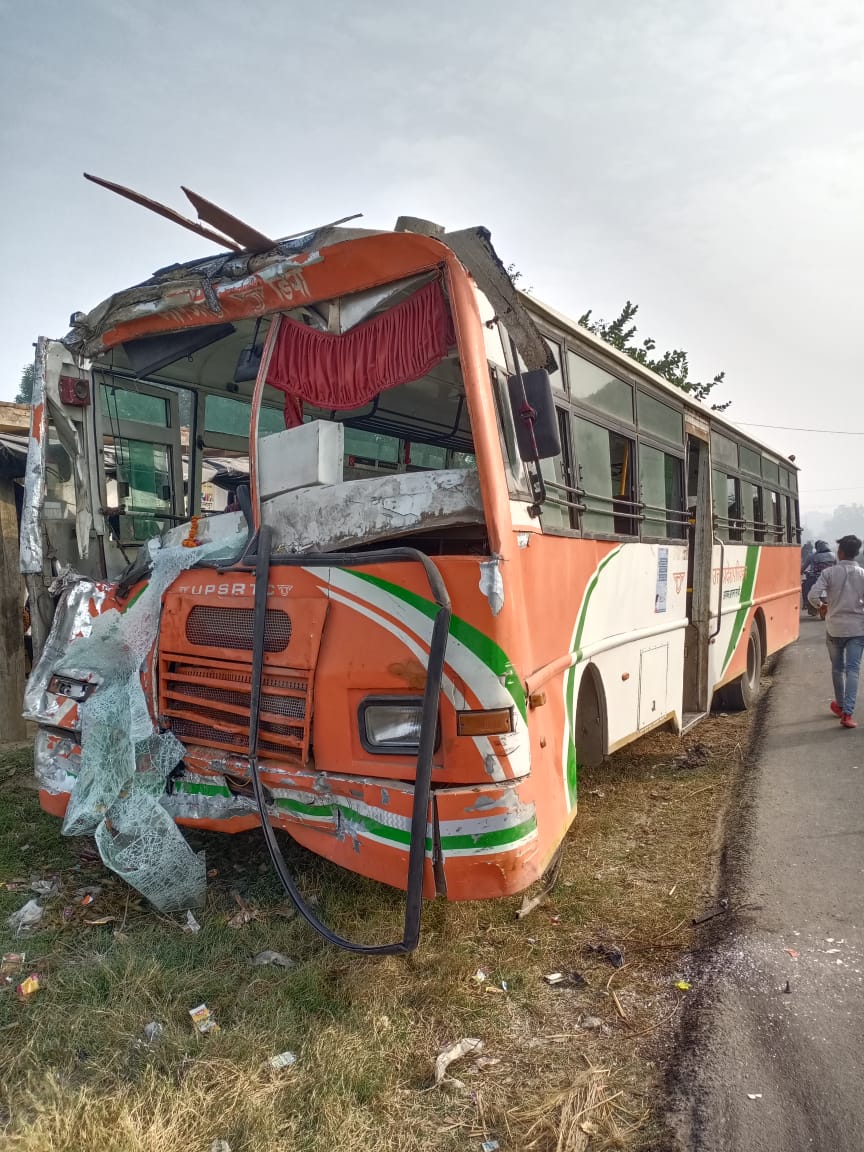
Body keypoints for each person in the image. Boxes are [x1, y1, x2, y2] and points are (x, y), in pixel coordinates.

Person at [808, 534, 864, 728]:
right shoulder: (862, 574)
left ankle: (840, 706)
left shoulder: (829, 573)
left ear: (840, 553)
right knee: (853, 670)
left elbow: (812, 595)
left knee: (837, 668)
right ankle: (847, 713)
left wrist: (821, 606)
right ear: (856, 553)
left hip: (834, 628)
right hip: (857, 629)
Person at [801, 539, 836, 609]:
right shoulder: (833, 555)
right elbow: (836, 566)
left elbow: (803, 568)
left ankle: (806, 604)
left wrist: (801, 571)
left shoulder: (812, 556)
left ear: (817, 547)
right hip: (831, 578)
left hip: (815, 578)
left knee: (804, 586)